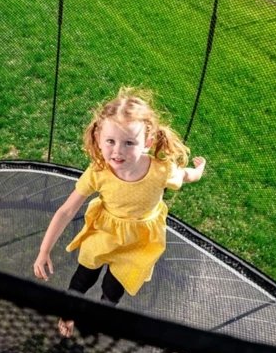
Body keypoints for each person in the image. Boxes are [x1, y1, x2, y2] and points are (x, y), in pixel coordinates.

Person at [33, 86, 206, 337]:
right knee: (83, 278)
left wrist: (199, 170)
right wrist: (44, 250)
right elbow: (66, 211)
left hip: (139, 241)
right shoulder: (98, 172)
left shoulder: (161, 170)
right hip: (105, 231)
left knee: (113, 289)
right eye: (110, 141)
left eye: (129, 143)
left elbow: (186, 175)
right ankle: (69, 315)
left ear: (147, 142)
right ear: (98, 138)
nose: (117, 151)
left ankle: (100, 316)